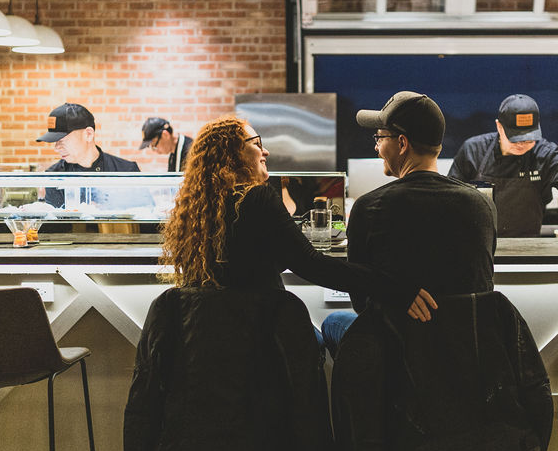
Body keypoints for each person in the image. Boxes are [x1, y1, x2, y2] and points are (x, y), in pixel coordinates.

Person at [326, 91, 551, 451]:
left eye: (381, 138)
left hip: (395, 375)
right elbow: (479, 286)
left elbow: (363, 302)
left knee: (333, 325)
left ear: (402, 143)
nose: (377, 147)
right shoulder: (479, 206)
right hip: (470, 377)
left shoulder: (369, 208)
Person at [158, 115, 435, 327]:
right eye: (257, 144)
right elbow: (314, 266)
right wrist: (393, 289)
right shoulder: (257, 199)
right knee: (332, 325)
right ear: (232, 155)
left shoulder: (198, 210)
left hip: (210, 338)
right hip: (261, 335)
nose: (265, 152)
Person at [448, 94, 558, 237]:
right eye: (515, 139)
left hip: (527, 247)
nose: (521, 144)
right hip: (478, 245)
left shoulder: (547, 154)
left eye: (528, 139)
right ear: (499, 126)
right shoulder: (473, 150)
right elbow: (450, 195)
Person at [37, 103, 140, 207]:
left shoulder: (127, 171)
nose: (56, 148)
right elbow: (56, 223)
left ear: (88, 134)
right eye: (55, 141)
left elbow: (144, 217)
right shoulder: (53, 177)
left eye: (62, 140)